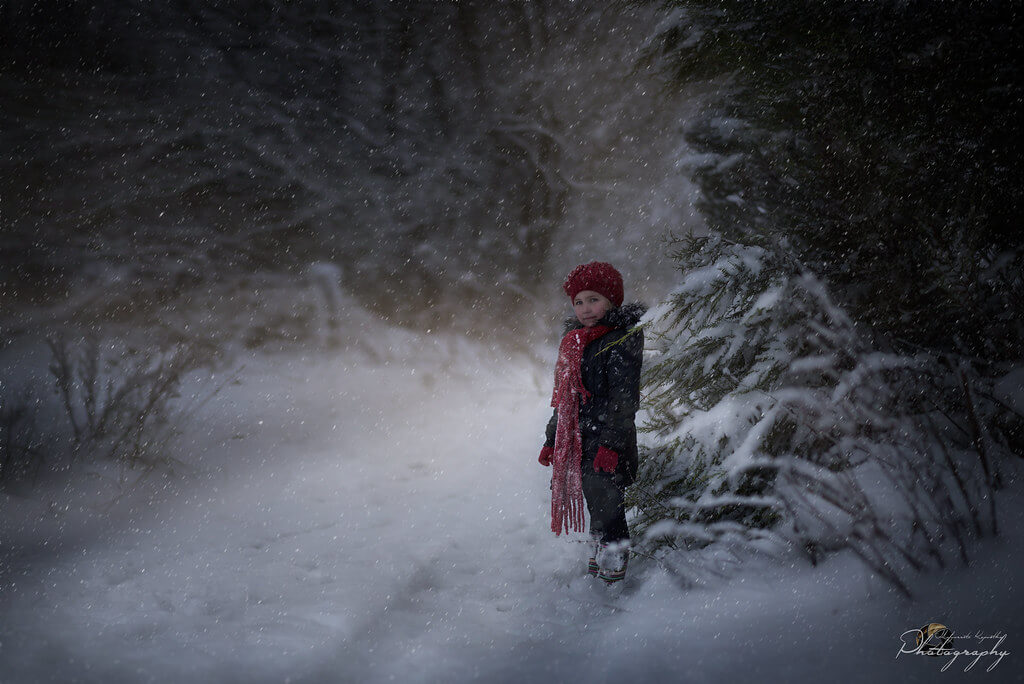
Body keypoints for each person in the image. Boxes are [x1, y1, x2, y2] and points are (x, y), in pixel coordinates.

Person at [538, 261, 646, 584]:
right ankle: (600, 546)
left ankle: (615, 553)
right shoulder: (575, 343)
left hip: (610, 440)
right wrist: (551, 439)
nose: (586, 308)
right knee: (593, 497)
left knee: (609, 500)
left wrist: (611, 445)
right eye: (579, 302)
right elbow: (565, 402)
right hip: (582, 439)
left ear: (612, 301)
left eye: (594, 300)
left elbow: (624, 400)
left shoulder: (620, 340)